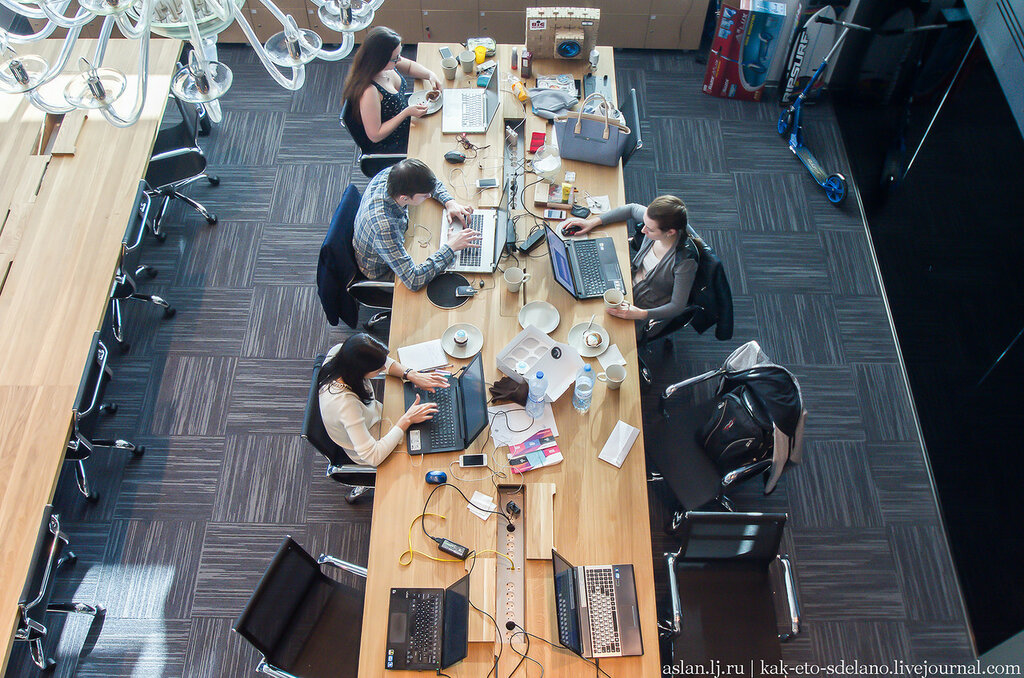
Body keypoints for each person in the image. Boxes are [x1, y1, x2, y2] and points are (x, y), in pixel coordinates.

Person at [559, 195, 700, 323]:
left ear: (670, 232)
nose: (643, 230)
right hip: (625, 280)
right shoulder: (655, 221)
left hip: (644, 306)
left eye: (650, 229)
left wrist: (641, 314)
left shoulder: (685, 263)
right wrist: (593, 222)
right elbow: (631, 209)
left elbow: (677, 306)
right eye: (645, 223)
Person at [318, 333, 448, 466]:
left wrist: (410, 374)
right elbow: (373, 457)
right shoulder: (346, 406)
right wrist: (407, 420)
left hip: (375, 416)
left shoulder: (341, 353)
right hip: (373, 442)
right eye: (379, 369)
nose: (384, 368)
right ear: (360, 370)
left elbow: (381, 360)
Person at [354, 158, 479, 291]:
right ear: (404, 198)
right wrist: (451, 247)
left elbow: (431, 183)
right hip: (384, 271)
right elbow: (413, 280)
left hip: (392, 243)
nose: (429, 196)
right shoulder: (384, 227)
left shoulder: (392, 174)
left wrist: (449, 202)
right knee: (450, 279)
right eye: (424, 195)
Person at [340, 26, 442, 154]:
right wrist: (406, 113)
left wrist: (430, 75)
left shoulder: (388, 64)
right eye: (395, 58)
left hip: (408, 121)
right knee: (438, 144)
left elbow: (410, 67)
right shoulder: (369, 92)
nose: (399, 60)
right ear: (380, 60)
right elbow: (375, 135)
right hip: (394, 142)